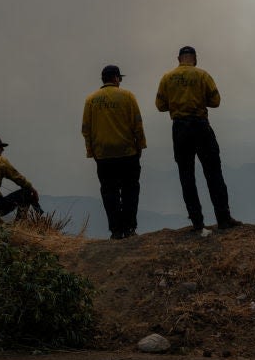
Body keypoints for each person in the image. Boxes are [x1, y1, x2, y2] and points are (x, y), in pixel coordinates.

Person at [155, 45, 242, 232]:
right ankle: (224, 218)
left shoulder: (167, 78)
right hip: (200, 125)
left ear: (178, 58)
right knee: (213, 172)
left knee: (186, 175)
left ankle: (197, 222)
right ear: (194, 58)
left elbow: (160, 105)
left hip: (179, 128)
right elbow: (216, 101)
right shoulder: (203, 75)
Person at [82, 65, 147, 239]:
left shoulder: (91, 100)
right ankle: (129, 228)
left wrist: (92, 152)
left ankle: (116, 231)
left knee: (109, 192)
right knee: (130, 191)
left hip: (103, 155)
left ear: (103, 79)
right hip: (127, 153)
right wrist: (140, 146)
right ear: (116, 78)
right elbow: (137, 124)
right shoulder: (127, 96)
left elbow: (86, 129)